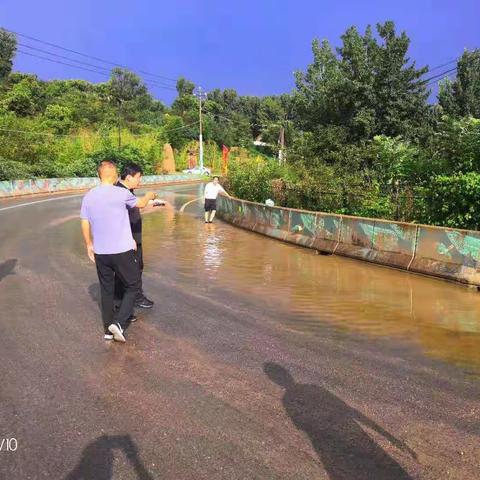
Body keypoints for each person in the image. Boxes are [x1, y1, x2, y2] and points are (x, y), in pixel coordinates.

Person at [80, 160, 156, 342]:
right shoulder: (120, 193)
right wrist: (149, 195)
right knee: (133, 284)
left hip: (101, 252)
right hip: (121, 250)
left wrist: (89, 244)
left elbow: (84, 221)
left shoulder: (89, 196)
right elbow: (141, 203)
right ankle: (120, 322)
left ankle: (108, 330)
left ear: (99, 175)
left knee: (106, 290)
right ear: (114, 175)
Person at [114, 162, 161, 310]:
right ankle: (134, 298)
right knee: (133, 269)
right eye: (138, 177)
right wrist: (148, 196)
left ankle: (121, 298)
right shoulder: (121, 191)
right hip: (130, 238)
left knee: (131, 268)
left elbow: (133, 208)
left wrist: (150, 203)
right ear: (129, 177)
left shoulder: (125, 191)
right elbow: (130, 211)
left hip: (132, 236)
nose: (140, 180)